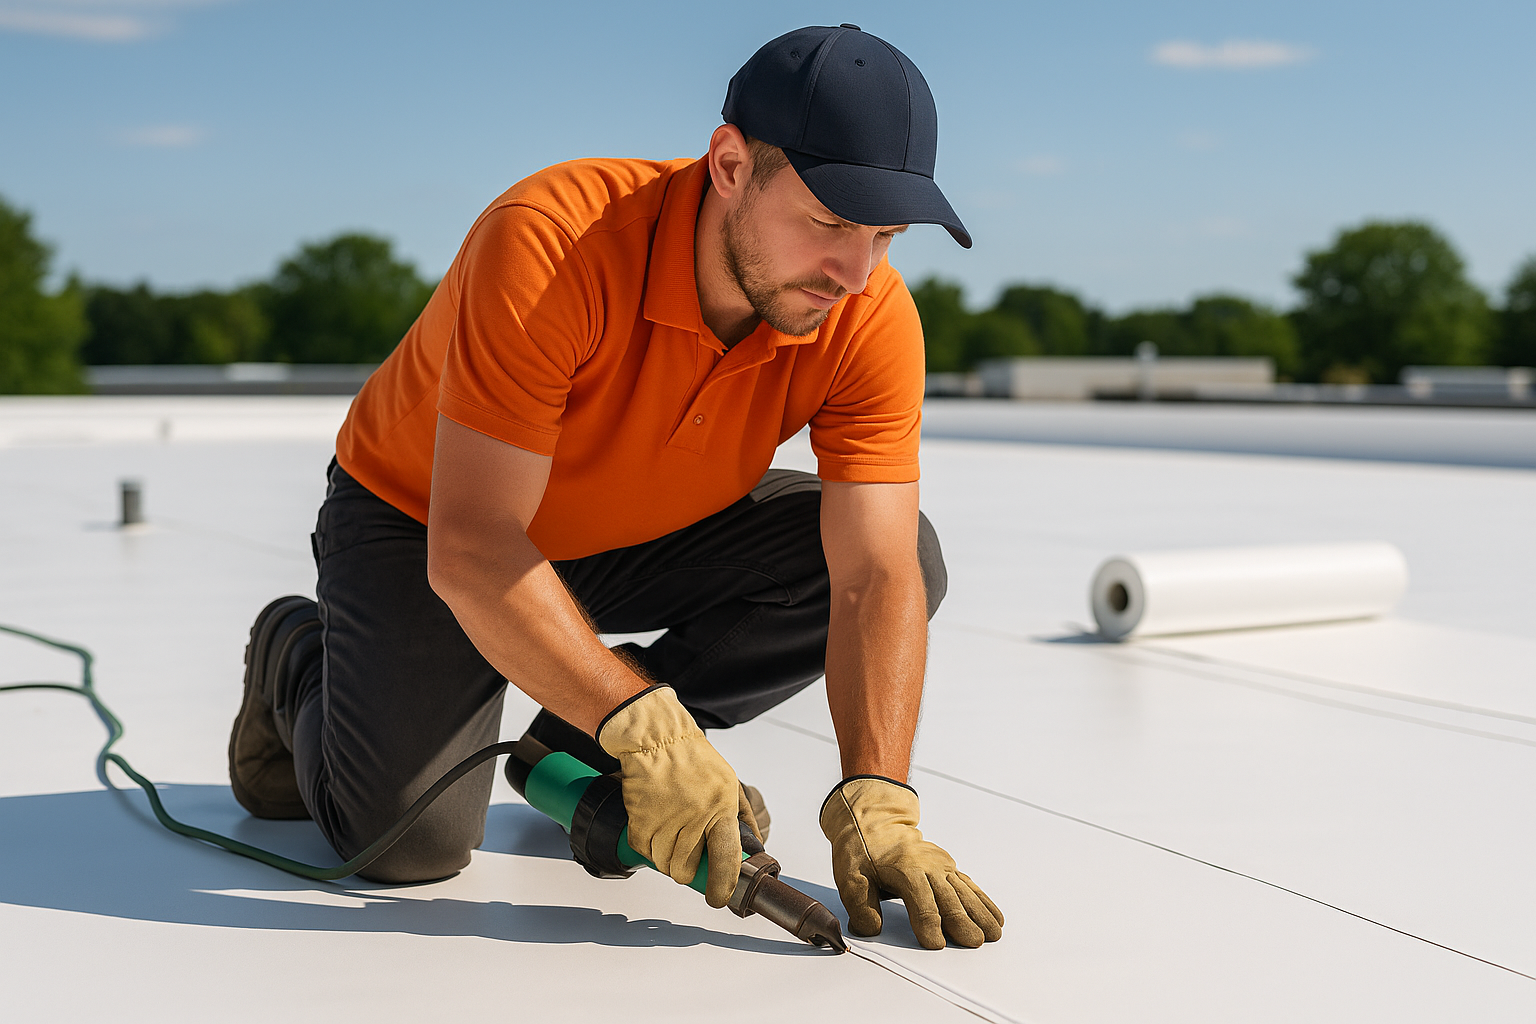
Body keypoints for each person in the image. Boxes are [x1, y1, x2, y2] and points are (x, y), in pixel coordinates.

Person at [228, 23, 1003, 950]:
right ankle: (297, 651)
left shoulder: (866, 312)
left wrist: (880, 790)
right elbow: (476, 544)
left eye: (884, 235)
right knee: (409, 847)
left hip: (637, 527)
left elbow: (875, 576)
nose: (855, 272)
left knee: (908, 553)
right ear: (728, 165)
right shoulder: (554, 243)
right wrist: (649, 727)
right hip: (429, 521)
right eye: (830, 222)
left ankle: (577, 737)